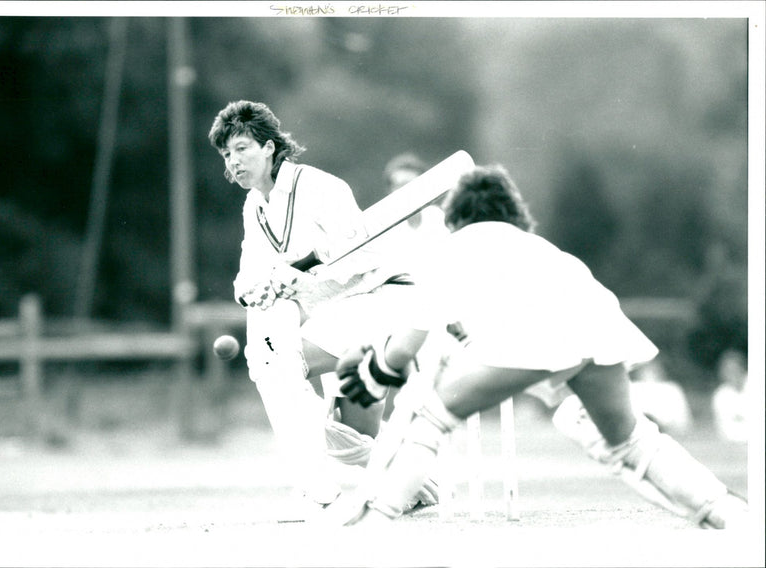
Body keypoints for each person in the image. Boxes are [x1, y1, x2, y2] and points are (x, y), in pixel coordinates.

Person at [329, 164, 749, 528]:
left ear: (456, 216)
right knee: (631, 439)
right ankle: (725, 513)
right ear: (514, 213)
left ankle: (373, 523)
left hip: (533, 338)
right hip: (598, 328)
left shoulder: (450, 249)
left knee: (429, 418)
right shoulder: (543, 248)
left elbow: (407, 344)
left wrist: (377, 367)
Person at [207, 100, 436, 514]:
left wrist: (305, 278)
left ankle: (316, 489)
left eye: (241, 148)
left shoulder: (317, 187)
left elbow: (362, 256)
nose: (233, 161)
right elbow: (250, 269)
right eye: (226, 154)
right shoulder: (254, 206)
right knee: (342, 438)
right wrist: (251, 292)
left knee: (280, 366)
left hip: (384, 297)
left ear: (269, 147)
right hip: (339, 316)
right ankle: (411, 480)